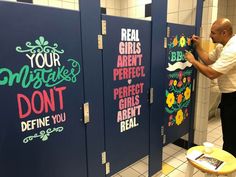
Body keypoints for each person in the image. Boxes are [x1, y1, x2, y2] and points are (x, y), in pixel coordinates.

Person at [185, 18, 236, 157]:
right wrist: (197, 47)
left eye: (213, 33)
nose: (210, 36)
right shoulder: (222, 46)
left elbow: (212, 73)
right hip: (228, 95)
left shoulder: (233, 49)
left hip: (234, 97)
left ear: (224, 33)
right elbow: (208, 59)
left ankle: (229, 166)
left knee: (231, 138)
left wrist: (193, 61)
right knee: (229, 134)